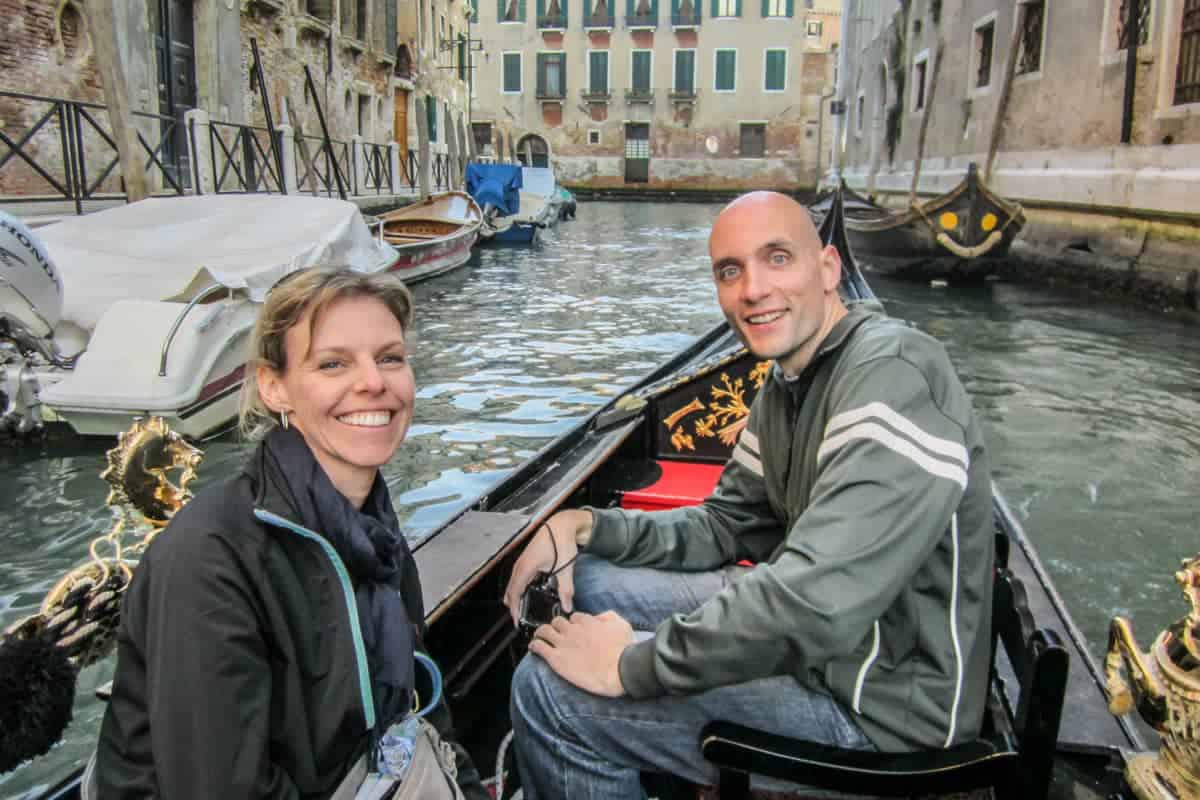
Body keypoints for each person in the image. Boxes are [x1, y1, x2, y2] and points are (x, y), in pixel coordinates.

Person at [502, 191, 995, 798]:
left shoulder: (894, 374)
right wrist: (584, 525)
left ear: (829, 269)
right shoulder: (787, 383)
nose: (752, 289)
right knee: (596, 580)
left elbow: (815, 603)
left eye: (777, 258)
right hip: (827, 659)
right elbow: (722, 526)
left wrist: (631, 665)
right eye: (730, 271)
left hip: (885, 713)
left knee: (549, 696)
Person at [95, 268, 486, 799]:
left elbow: (414, 704)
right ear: (274, 386)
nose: (374, 382)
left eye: (390, 357)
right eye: (333, 364)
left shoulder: (370, 525)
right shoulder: (208, 559)